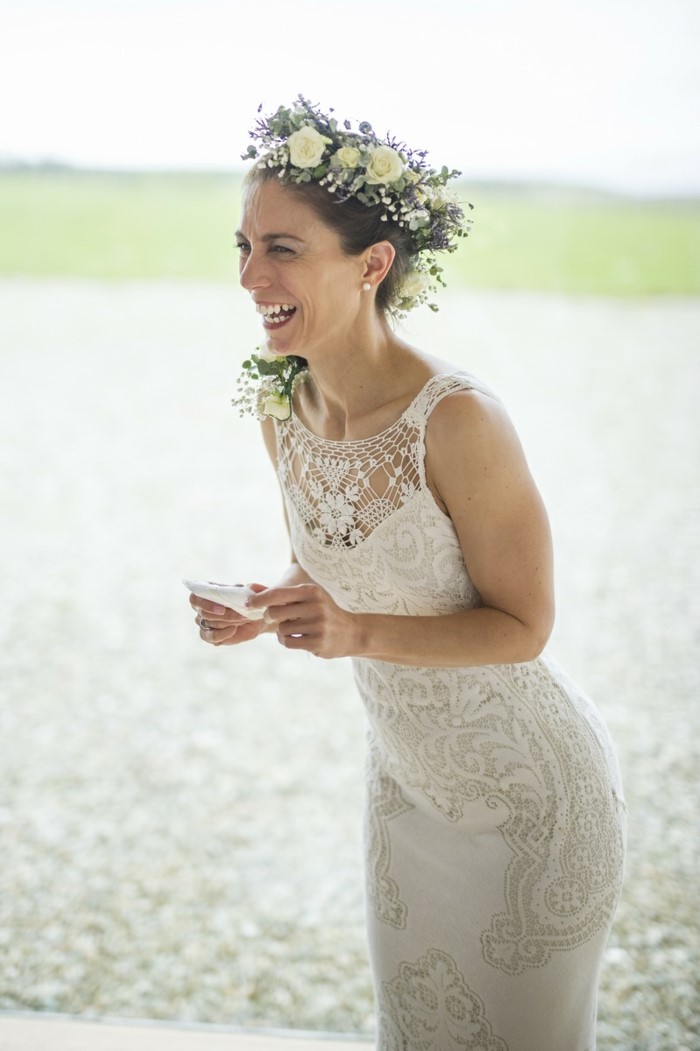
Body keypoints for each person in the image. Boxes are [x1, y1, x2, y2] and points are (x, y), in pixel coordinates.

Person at [188, 97, 626, 1050]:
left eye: (283, 249)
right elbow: (332, 571)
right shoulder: (281, 407)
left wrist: (353, 633)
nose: (249, 276)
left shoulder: (459, 419)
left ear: (372, 264)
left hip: (531, 805)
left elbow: (524, 625)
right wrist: (262, 610)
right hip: (407, 795)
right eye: (243, 245)